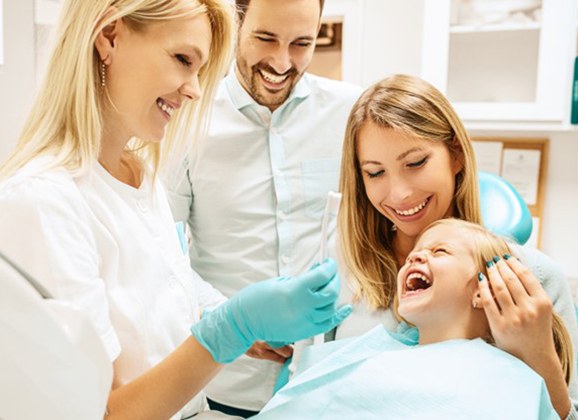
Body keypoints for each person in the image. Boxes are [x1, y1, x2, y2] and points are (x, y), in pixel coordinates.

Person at [0, 1, 351, 419]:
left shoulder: (139, 174)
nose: (196, 89)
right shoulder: (42, 203)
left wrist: (241, 323)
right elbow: (101, 413)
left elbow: (167, 297)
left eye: (200, 70)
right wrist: (232, 328)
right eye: (183, 59)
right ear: (110, 36)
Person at [334, 74, 578, 414]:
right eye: (375, 173)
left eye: (415, 163)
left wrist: (536, 352)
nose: (399, 193)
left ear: (456, 154)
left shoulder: (532, 278)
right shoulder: (342, 272)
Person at [166, 0, 362, 415]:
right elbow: (160, 255)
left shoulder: (352, 114)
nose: (281, 61)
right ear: (236, 23)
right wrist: (234, 321)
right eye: (265, 38)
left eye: (301, 43)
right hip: (227, 385)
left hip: (331, 382)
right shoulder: (186, 119)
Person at [255, 219, 574, 419]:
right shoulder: (372, 352)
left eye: (440, 252)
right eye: (413, 256)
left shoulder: (515, 377)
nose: (416, 256)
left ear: (487, 288)